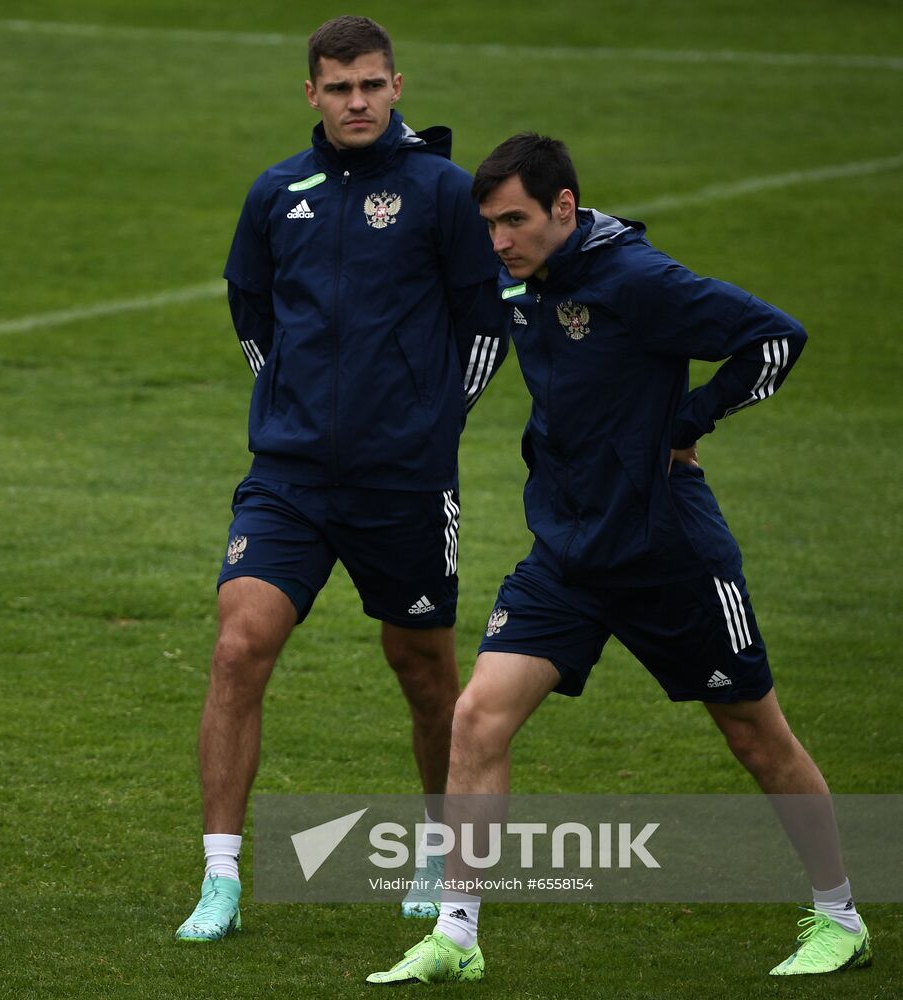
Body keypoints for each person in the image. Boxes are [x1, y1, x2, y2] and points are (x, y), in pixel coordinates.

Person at [366, 133, 870, 984]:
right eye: (489, 223)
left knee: (757, 737)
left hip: (667, 551)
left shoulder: (640, 281)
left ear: (564, 209)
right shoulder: (524, 283)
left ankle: (840, 916)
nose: (499, 241)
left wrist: (686, 422)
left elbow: (774, 338)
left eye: (514, 221)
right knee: (477, 715)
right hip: (565, 553)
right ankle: (457, 932)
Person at [174, 16, 502, 942]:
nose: (355, 101)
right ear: (310, 94)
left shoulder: (442, 193)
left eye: (370, 85)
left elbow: (485, 325)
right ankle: (221, 879)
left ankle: (440, 851)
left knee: (424, 671)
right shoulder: (278, 192)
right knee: (239, 647)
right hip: (288, 478)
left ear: (396, 86)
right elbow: (250, 305)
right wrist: (283, 395)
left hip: (403, 482)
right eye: (337, 86)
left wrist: (434, 422)